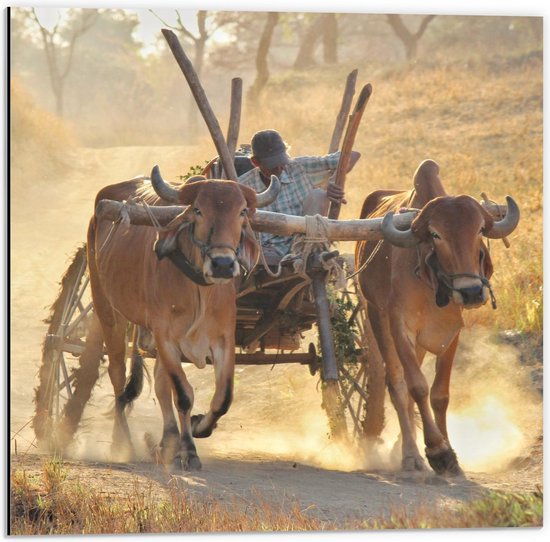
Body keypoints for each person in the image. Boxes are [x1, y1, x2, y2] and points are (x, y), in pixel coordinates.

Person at [238, 129, 361, 259]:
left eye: (282, 161)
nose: (280, 168)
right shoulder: (242, 186)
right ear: (255, 162)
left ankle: (312, 251)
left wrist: (330, 183)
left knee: (319, 195)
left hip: (305, 243)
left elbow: (352, 155)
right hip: (267, 252)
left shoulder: (298, 166)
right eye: (273, 164)